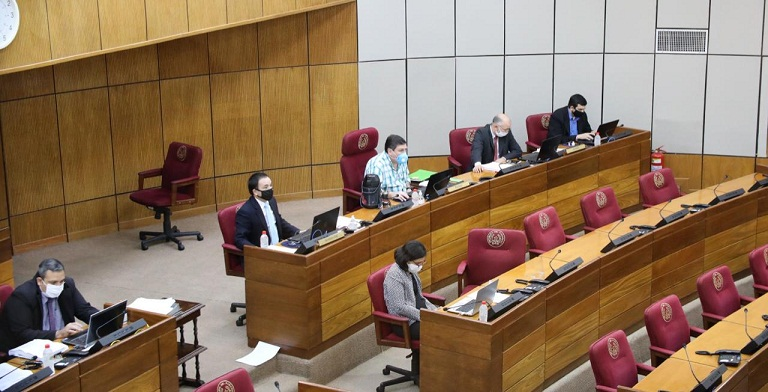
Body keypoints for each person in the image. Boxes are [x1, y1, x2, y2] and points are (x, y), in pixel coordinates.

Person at [0, 259, 98, 351]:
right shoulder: (22, 296)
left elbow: (84, 310)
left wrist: (103, 319)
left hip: (63, 342)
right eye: (53, 283)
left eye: (61, 281)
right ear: (39, 281)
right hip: (32, 348)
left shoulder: (67, 285)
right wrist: (58, 334)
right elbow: (23, 334)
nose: (58, 286)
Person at [235, 172, 299, 249]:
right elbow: (240, 239)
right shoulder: (246, 211)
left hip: (279, 246)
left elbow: (278, 221)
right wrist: (256, 250)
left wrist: (298, 232)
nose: (270, 189)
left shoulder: (272, 201)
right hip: (262, 253)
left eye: (270, 185)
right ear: (255, 192)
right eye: (265, 187)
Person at [364, 134, 411, 202]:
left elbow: (406, 180)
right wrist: (393, 195)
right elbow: (374, 193)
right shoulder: (377, 165)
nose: (404, 154)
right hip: (385, 201)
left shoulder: (401, 160)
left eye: (405, 150)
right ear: (390, 151)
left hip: (403, 198)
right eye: (401, 150)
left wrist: (409, 190)